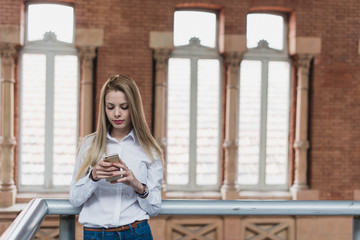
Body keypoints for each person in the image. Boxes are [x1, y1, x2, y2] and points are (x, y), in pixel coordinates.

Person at [69, 74, 163, 240]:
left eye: (124, 107)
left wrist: (137, 186)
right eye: (110, 107)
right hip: (96, 234)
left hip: (137, 232)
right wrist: (93, 177)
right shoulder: (89, 144)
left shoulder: (149, 149)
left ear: (133, 108)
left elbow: (154, 208)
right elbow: (75, 199)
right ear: (104, 108)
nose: (117, 114)